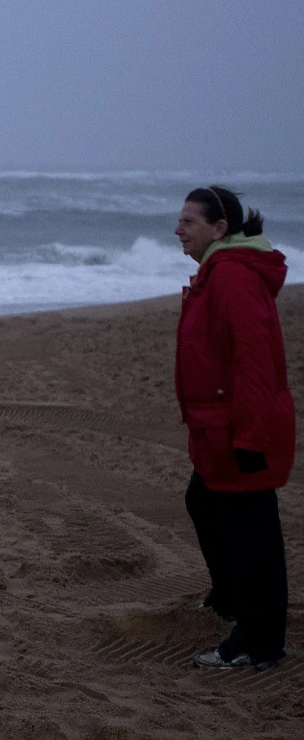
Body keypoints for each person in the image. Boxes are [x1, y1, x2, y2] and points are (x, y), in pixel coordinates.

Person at [174, 185, 294, 669]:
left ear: (220, 228)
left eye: (188, 221)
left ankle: (259, 642)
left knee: (253, 532)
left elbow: (253, 364)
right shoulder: (217, 273)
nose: (178, 229)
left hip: (239, 429)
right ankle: (231, 602)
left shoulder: (232, 278)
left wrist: (250, 439)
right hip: (216, 426)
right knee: (202, 502)